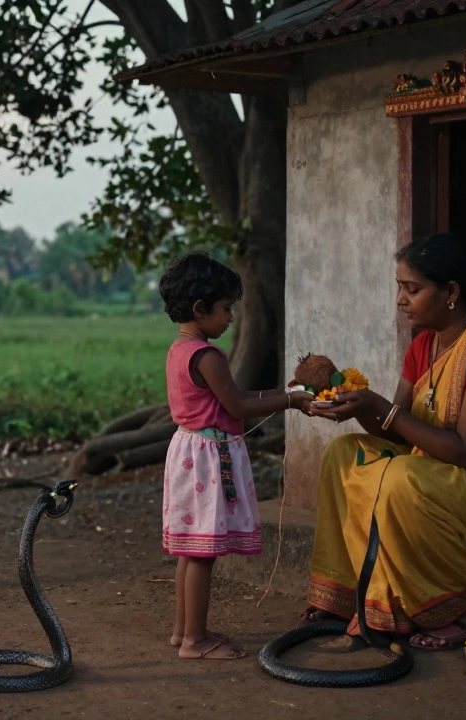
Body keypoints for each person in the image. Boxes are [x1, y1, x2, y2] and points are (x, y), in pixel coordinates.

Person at [303, 234, 466, 651]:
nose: (400, 300)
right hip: (451, 481)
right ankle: (354, 598)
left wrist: (380, 406)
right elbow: (397, 431)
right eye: (399, 288)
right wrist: (359, 408)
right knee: (345, 454)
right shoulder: (423, 345)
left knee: (403, 478)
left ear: (450, 292)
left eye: (412, 289)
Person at [158, 252, 314, 660]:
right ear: (200, 308)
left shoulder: (181, 349)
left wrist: (286, 392)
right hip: (208, 460)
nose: (230, 318)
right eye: (226, 308)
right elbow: (239, 406)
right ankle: (195, 640)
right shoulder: (208, 356)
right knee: (204, 556)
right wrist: (291, 402)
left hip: (188, 451)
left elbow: (239, 398)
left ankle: (183, 631)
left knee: (191, 553)